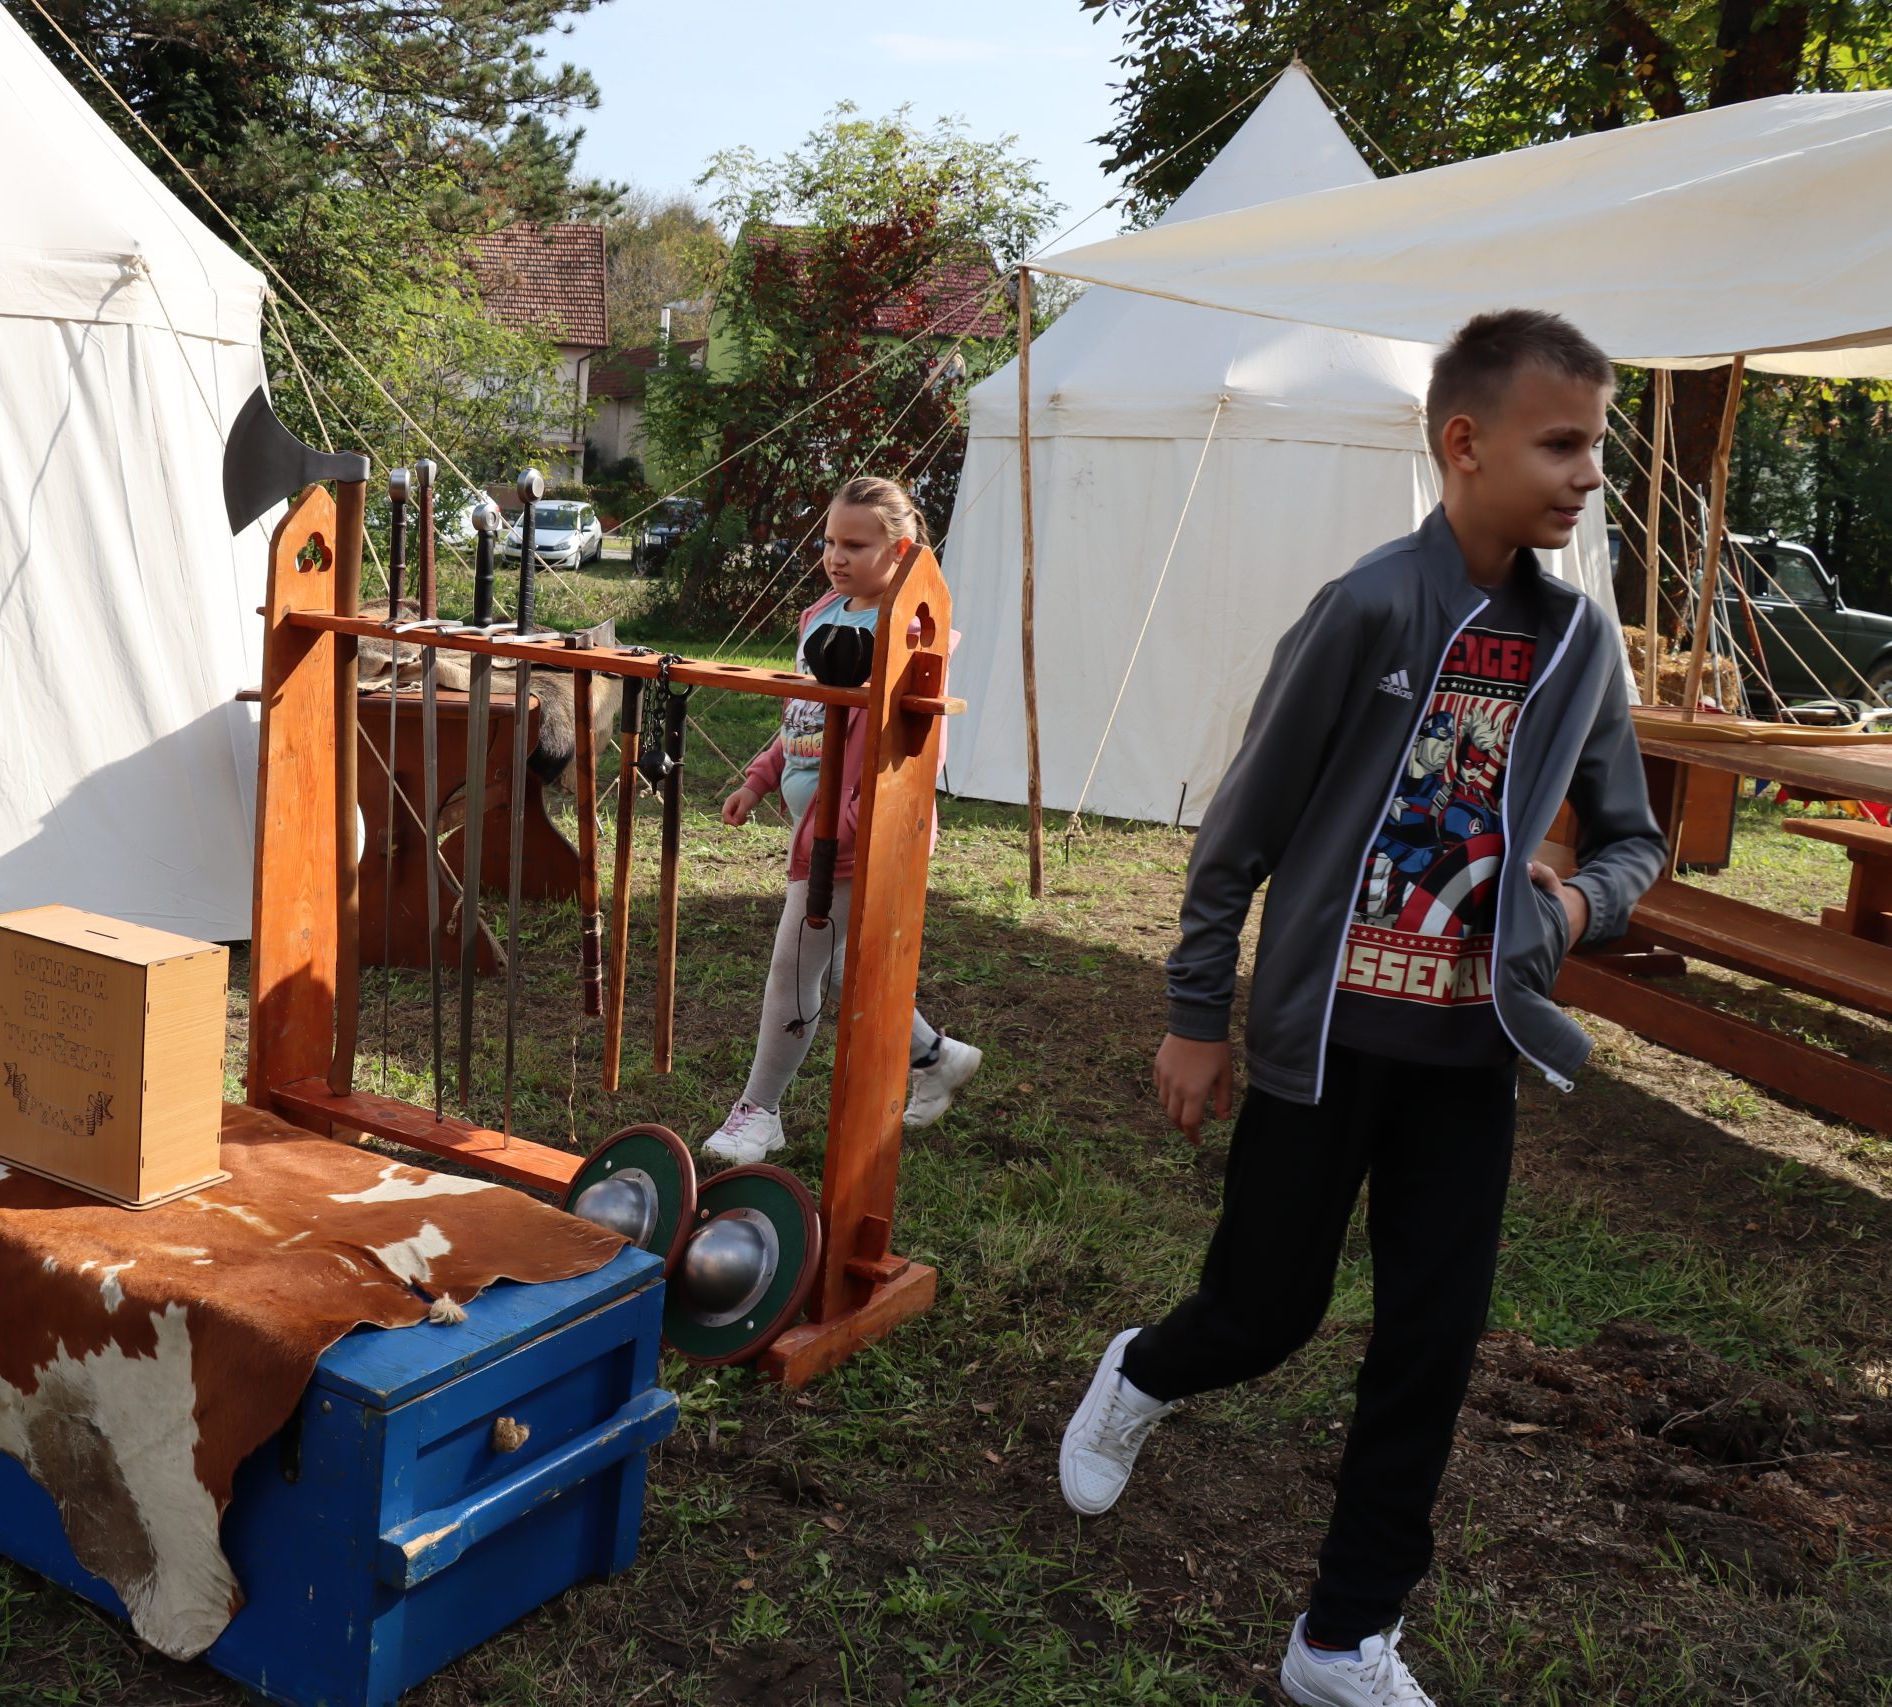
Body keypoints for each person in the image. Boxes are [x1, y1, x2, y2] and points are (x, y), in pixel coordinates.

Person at [1056, 310, 1666, 1707]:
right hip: (1323, 1045)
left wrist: (1577, 909)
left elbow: (1633, 837)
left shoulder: (1581, 644)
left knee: (1429, 1346)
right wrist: (1196, 1015)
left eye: (1597, 447)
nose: (1588, 474)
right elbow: (1240, 833)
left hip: (1468, 1057)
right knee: (1264, 1311)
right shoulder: (1369, 608)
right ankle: (1142, 1372)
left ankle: (1341, 1635)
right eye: (1561, 444)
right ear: (1465, 443)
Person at [700, 475, 980, 1164]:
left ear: (900, 549)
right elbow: (804, 717)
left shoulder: (911, 633)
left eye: (855, 545)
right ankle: (936, 1057)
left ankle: (759, 1112)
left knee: (794, 965)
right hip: (818, 828)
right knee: (846, 967)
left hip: (857, 838)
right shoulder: (823, 614)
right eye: (829, 541)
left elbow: (918, 748)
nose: (836, 556)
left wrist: (851, 821)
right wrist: (761, 777)